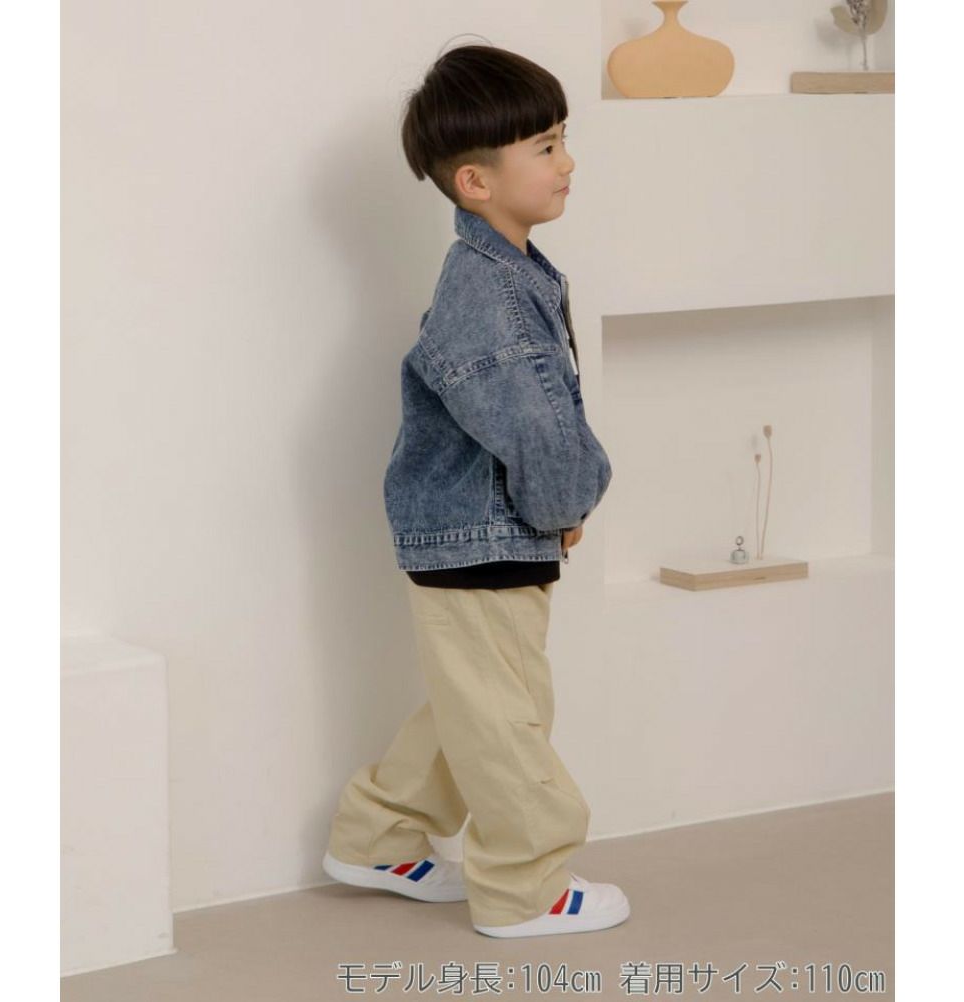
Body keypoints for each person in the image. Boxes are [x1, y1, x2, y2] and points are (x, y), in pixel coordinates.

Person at [322, 42, 628, 939]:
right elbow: (535, 426)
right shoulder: (487, 295)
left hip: (481, 531)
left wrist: (557, 504)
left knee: (477, 703)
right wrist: (566, 503)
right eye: (545, 146)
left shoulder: (509, 273)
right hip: (480, 535)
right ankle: (523, 888)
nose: (567, 161)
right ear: (475, 181)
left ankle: (380, 836)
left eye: (563, 137)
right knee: (507, 717)